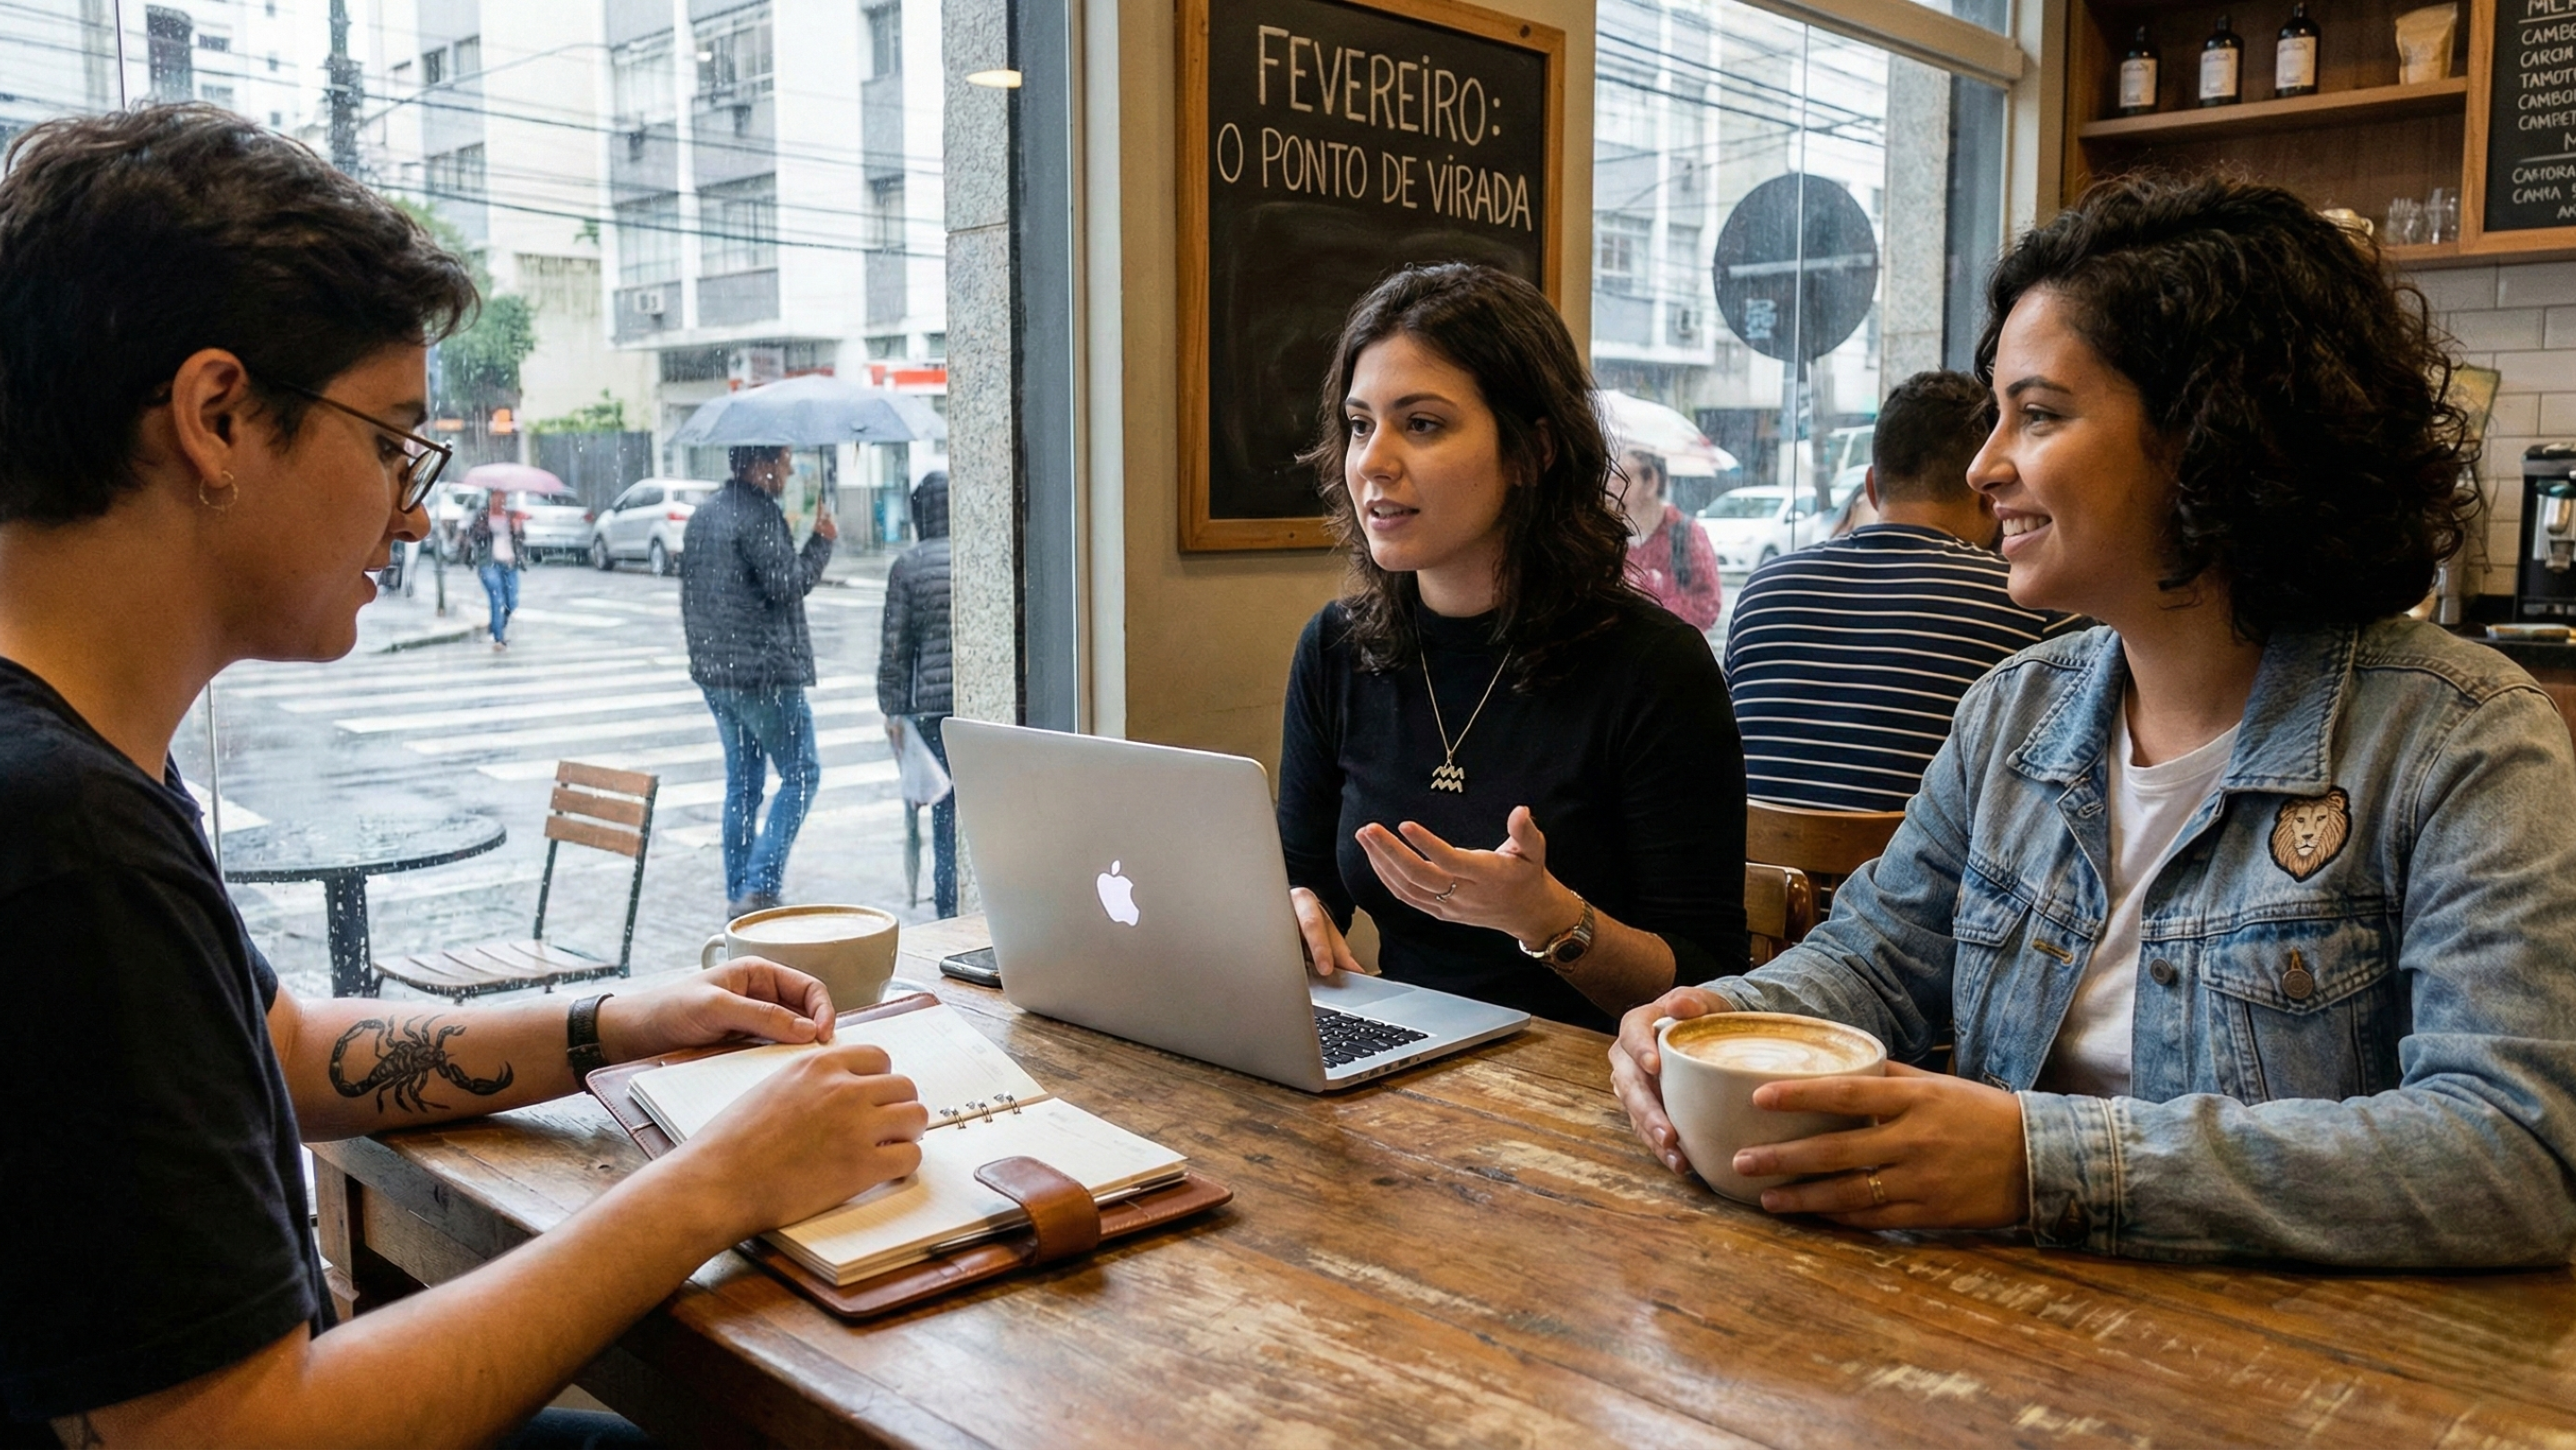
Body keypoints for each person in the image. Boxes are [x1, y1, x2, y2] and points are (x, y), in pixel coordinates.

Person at [0, 104, 927, 1449]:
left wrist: (624, 1020)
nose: (417, 507)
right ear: (213, 416)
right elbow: (235, 1436)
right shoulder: (66, 840)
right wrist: (710, 1187)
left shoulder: (77, 766)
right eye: (389, 439)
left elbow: (289, 1052)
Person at [1608, 174, 2576, 1267]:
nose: (1984, 468)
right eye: (1995, 418)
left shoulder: (2462, 740)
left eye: (2040, 414)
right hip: (2002, 1342)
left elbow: (2517, 1152)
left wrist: (2038, 1163)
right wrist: (1704, 1022)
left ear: (2214, 434)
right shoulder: (2014, 712)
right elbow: (1873, 963)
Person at [1277, 263, 1750, 1033]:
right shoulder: (1336, 648)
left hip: (1591, 1089)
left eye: (1421, 423)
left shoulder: (1653, 668)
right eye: (1361, 424)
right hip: (1399, 1066)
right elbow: (1304, 879)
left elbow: (1709, 982)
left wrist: (1551, 919)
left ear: (1532, 453)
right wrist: (1292, 910)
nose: (1372, 460)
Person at [1723, 371, 2080, 812]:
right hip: (1931, 880)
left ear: (1872, 487)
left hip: (1762, 877)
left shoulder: (1763, 590)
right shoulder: (2033, 608)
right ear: (1990, 493)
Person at [680, 442, 837, 917]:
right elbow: (786, 585)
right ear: (762, 465)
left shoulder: (705, 513)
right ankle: (760, 887)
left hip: (717, 673)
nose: (789, 472)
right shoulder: (759, 515)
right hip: (763, 675)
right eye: (784, 462)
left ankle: (738, 894)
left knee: (743, 784)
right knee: (802, 775)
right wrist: (821, 541)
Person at [878, 471, 957, 917]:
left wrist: (891, 709)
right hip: (971, 706)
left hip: (929, 709)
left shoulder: (907, 566)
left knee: (943, 814)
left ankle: (948, 909)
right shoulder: (971, 555)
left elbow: (895, 647)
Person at [1613, 448, 1723, 630]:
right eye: (1612, 477)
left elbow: (1709, 602)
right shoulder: (1609, 535)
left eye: (1624, 477)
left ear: (1651, 482)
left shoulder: (1686, 533)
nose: (1613, 485)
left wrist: (1656, 618)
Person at [465, 488, 528, 652]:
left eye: (503, 497)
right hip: (489, 564)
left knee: (512, 602)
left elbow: (521, 539)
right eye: (497, 497)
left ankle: (496, 625)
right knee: (497, 598)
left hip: (510, 564)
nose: (500, 500)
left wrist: (517, 528)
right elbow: (474, 536)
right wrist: (486, 529)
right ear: (491, 498)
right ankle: (499, 639)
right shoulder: (483, 515)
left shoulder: (511, 515)